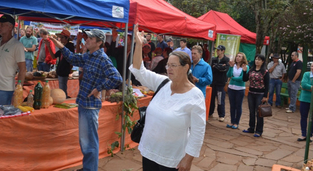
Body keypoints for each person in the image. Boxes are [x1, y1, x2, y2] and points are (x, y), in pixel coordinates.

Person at [129, 24, 205, 171]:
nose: (168, 69)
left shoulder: (195, 95)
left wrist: (188, 159)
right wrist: (139, 45)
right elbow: (139, 71)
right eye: (168, 65)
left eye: (173, 66)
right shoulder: (163, 83)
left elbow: (198, 131)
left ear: (185, 67)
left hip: (172, 158)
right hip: (150, 151)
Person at [49, 28, 122, 171]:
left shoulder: (102, 58)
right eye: (87, 37)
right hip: (84, 104)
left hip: (90, 106)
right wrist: (57, 43)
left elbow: (117, 78)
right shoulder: (89, 55)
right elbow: (72, 58)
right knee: (85, 141)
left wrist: (99, 88)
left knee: (89, 142)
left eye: (90, 38)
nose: (86, 39)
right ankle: (88, 168)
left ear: (99, 42)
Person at [242, 54, 269, 137]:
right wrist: (244, 71)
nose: (257, 61)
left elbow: (267, 85)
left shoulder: (265, 72)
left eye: (259, 60)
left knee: (259, 112)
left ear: (263, 61)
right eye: (256, 59)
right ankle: (251, 127)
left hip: (260, 94)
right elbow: (245, 79)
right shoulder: (251, 70)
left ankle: (259, 130)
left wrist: (265, 96)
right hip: (251, 92)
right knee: (251, 111)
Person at [46, 29, 75, 98]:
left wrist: (52, 40)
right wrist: (48, 46)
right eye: (60, 37)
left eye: (62, 37)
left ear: (67, 38)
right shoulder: (63, 48)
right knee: (62, 87)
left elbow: (71, 60)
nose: (60, 39)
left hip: (64, 71)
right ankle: (63, 98)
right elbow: (53, 56)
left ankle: (64, 99)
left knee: (62, 88)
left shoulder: (69, 46)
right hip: (60, 70)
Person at [226, 52, 249, 129]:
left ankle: (236, 122)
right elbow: (228, 75)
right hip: (231, 88)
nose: (238, 58)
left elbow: (242, 79)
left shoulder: (245, 67)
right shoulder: (234, 65)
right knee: (232, 106)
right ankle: (232, 121)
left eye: (240, 56)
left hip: (240, 89)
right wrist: (231, 67)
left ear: (243, 58)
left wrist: (233, 78)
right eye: (237, 56)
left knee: (238, 106)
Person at [297, 62, 313, 142]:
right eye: (312, 66)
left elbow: (306, 86)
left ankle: (310, 135)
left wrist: (308, 88)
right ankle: (303, 134)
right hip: (304, 99)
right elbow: (303, 84)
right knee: (303, 116)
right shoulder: (306, 74)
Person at [209, 45, 230, 121]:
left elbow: (224, 70)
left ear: (223, 51)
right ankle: (210, 112)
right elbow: (211, 68)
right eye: (217, 50)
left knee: (220, 100)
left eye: (219, 50)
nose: (217, 51)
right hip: (213, 82)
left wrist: (217, 67)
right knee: (211, 99)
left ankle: (221, 115)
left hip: (221, 83)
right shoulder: (214, 59)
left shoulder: (226, 60)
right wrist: (219, 67)